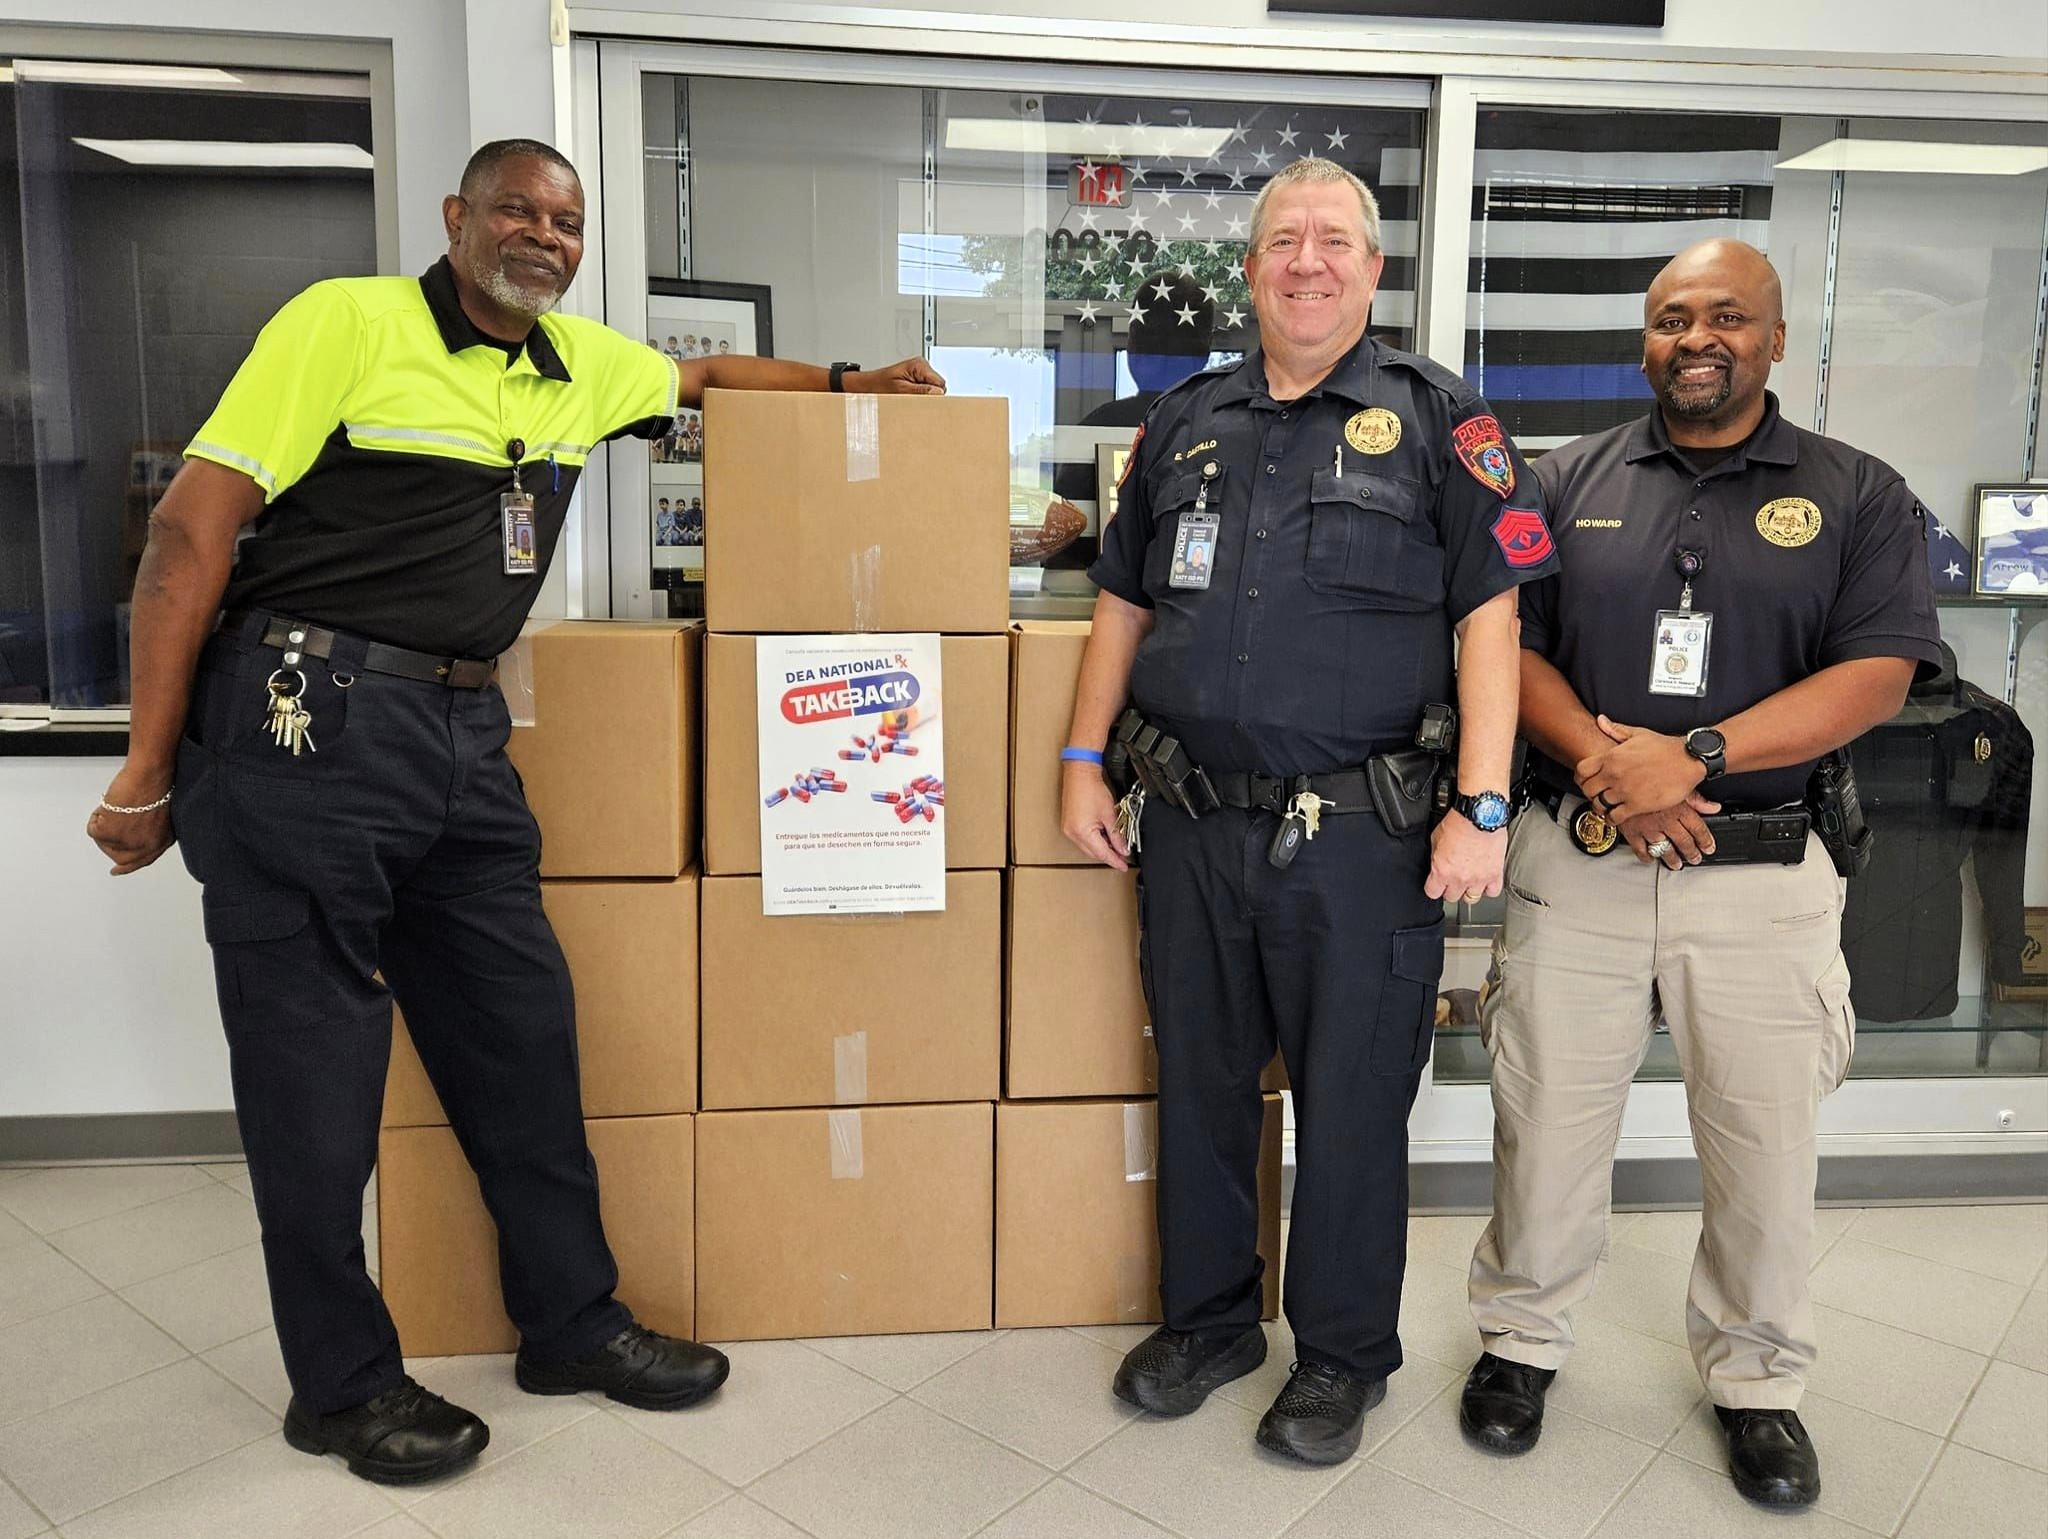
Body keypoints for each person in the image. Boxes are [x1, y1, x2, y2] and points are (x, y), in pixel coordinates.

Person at [84, 137, 944, 1487]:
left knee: (522, 1038)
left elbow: (708, 377)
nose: (543, 235)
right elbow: (190, 533)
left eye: (566, 219)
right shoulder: (347, 323)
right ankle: (344, 1383)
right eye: (518, 210)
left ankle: (570, 1320)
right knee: (315, 1080)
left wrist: (849, 380)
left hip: (462, 735)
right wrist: (144, 769)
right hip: (306, 721)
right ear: (458, 218)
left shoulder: (577, 367)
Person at [1061, 156, 1556, 1465]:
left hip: (1366, 837)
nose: (1307, 261)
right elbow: (1121, 601)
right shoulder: (1181, 424)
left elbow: (1492, 625)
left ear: (1372, 268)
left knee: (1349, 1107)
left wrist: (1485, 805)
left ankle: (1340, 1354)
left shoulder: (1445, 420)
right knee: (1204, 1089)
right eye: (1284, 238)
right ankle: (1212, 1320)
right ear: (1251, 267)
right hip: (1191, 823)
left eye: (1334, 239)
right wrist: (1077, 758)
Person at [1461, 239, 1940, 1509]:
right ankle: (1518, 1343)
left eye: (1726, 316)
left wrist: (1698, 756)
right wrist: (1616, 768)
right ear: (1644, 343)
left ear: (1776, 339)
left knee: (1763, 1145)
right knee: (1545, 1120)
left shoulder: (1858, 493)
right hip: (1585, 859)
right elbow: (1507, 643)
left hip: (1764, 873)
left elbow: (1877, 673)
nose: (1696, 338)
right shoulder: (1561, 481)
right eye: (1670, 319)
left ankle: (1756, 1380)